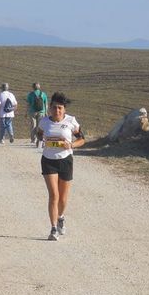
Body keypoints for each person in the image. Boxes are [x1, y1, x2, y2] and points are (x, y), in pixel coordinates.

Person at [36, 92, 85, 241]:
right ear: (49, 108)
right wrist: (43, 139)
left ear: (64, 109)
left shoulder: (71, 121)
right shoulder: (44, 122)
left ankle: (61, 217)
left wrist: (70, 145)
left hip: (65, 160)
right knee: (54, 196)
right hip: (48, 160)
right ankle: (53, 229)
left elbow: (82, 139)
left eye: (60, 108)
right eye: (54, 107)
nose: (57, 111)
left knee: (63, 199)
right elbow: (39, 134)